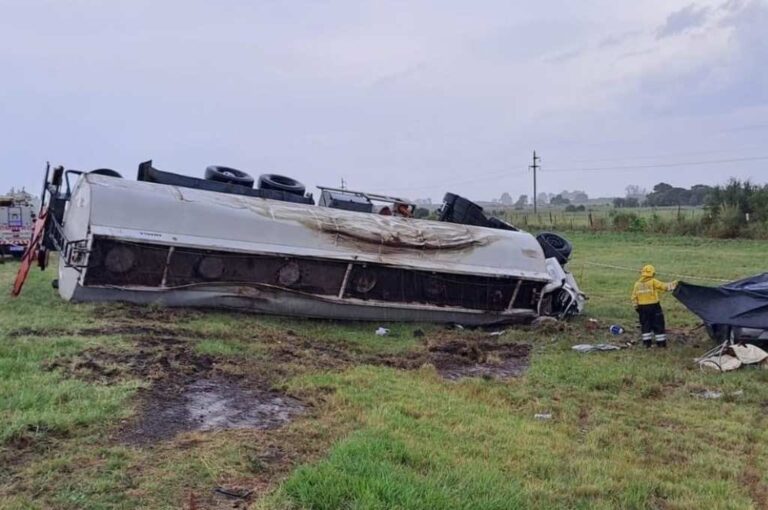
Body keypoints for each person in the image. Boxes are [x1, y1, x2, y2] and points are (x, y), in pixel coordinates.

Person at [631, 264, 677, 348]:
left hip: (642, 308)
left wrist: (636, 307)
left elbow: (634, 297)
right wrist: (674, 284)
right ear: (653, 273)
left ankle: (646, 344)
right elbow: (664, 287)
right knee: (658, 324)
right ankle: (661, 343)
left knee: (645, 325)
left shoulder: (637, 284)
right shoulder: (653, 281)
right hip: (654, 307)